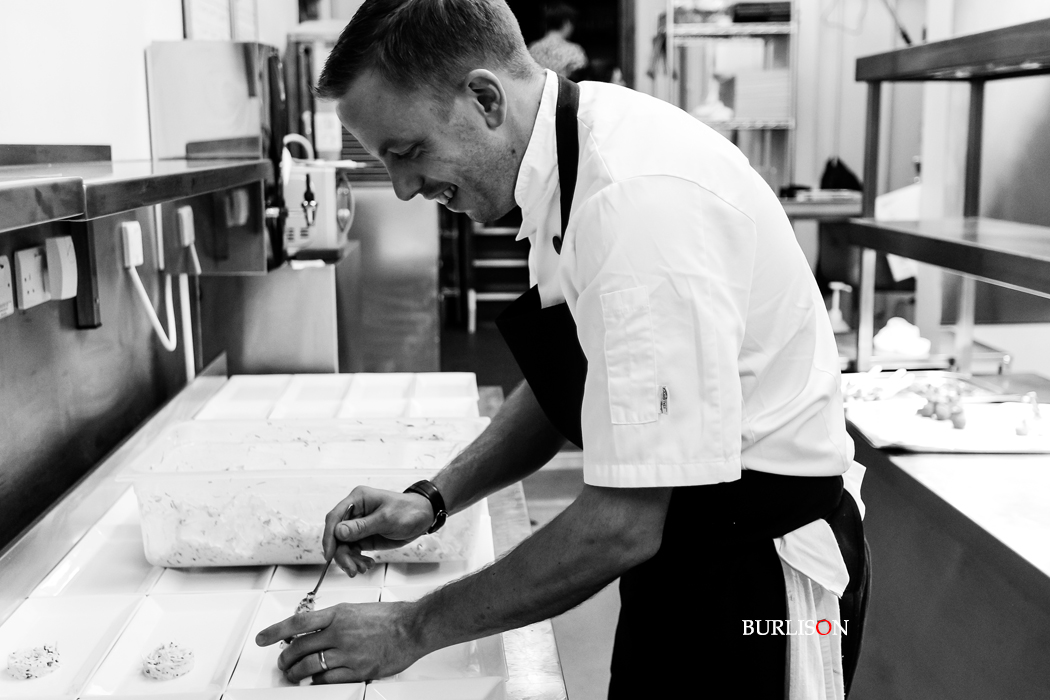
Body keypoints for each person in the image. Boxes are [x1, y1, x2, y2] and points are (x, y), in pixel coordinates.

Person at [255, 1, 869, 697]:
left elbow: (619, 526)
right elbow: (581, 387)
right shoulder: (565, 161)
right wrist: (431, 500)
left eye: (407, 151)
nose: (401, 188)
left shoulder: (635, 203)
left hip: (757, 580)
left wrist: (409, 629)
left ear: (485, 98)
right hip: (687, 550)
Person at [527, 3, 587, 79]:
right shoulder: (574, 51)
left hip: (538, 90)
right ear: (567, 22)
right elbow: (579, 78)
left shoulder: (532, 49)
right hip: (562, 90)